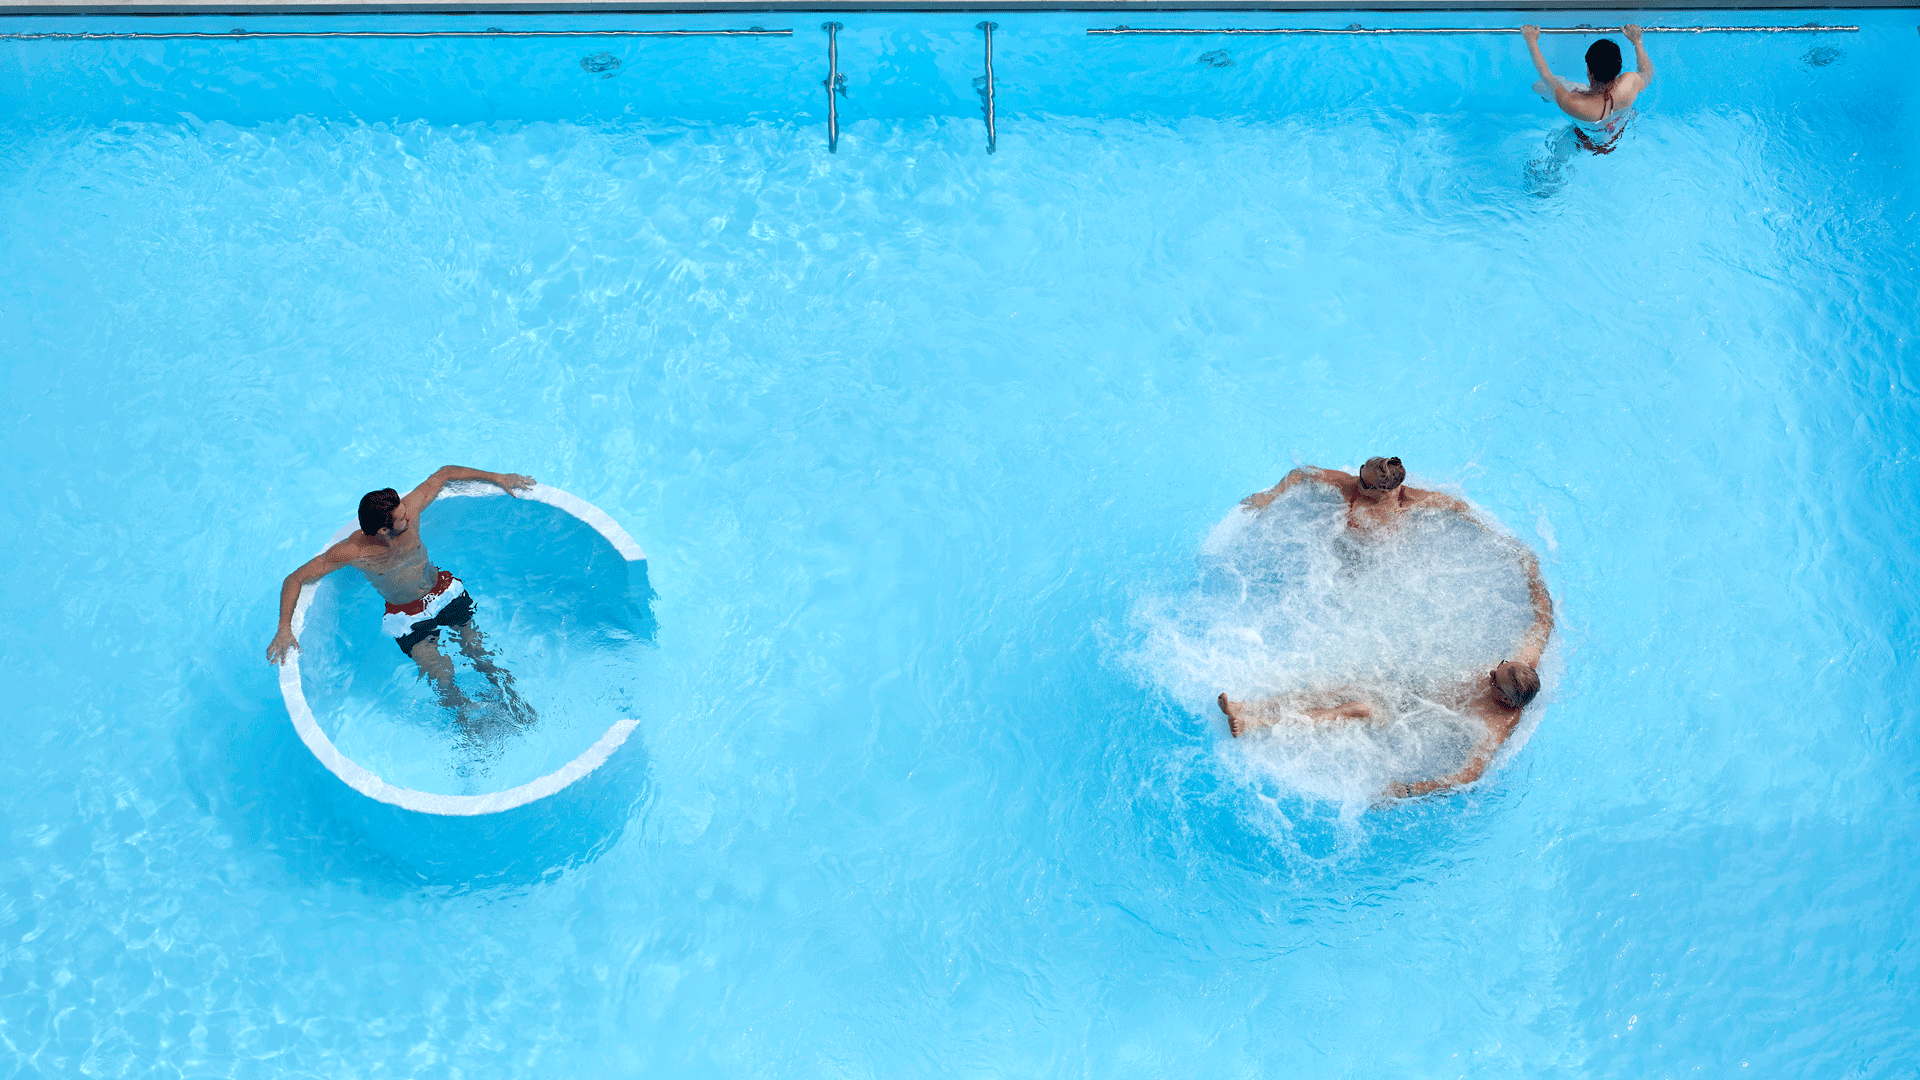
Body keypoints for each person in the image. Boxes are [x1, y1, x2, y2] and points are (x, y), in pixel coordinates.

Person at [1218, 545, 1554, 799]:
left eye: (1496, 679)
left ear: (1507, 703)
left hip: (1413, 721)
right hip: (1413, 689)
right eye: (1500, 665)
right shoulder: (1521, 666)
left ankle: (1254, 725)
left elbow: (1468, 776)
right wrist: (1531, 566)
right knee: (1342, 687)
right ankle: (1247, 706)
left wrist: (1407, 791)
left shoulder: (1496, 726)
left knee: (1355, 709)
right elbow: (1543, 622)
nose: (1491, 673)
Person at [267, 466, 535, 725]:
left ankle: (512, 699)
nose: (410, 516)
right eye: (402, 518)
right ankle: (467, 724)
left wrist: (498, 477)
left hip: (442, 592)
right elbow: (296, 578)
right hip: (406, 615)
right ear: (383, 529)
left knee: (475, 648)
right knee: (441, 677)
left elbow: (444, 474)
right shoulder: (352, 551)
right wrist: (283, 628)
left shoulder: (409, 513)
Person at [1240, 456, 1470, 533]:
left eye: (1364, 482)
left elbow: (1459, 506)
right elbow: (1302, 473)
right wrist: (1271, 496)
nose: (1356, 481)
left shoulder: (1407, 500)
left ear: (1383, 489)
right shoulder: (1349, 486)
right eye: (1361, 472)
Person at [1521, 24, 1654, 155]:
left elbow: (1546, 76)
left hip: (1585, 140)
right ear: (1619, 69)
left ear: (1588, 70)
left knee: (1538, 87)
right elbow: (1647, 73)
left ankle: (1547, 98)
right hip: (1615, 136)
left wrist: (1531, 40)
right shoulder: (1629, 84)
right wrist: (1637, 41)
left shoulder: (1574, 104)